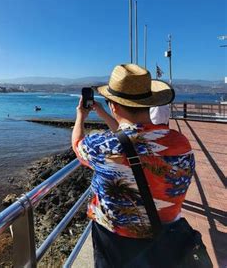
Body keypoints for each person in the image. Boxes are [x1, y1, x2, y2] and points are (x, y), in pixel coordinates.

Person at [71, 64, 195, 267]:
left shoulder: (102, 147)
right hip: (165, 237)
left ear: (114, 105)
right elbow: (128, 136)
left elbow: (78, 146)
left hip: (114, 240)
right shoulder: (181, 143)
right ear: (149, 103)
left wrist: (80, 117)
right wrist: (103, 113)